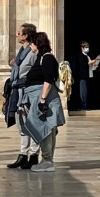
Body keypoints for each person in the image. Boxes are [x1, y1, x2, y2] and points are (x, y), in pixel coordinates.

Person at [19, 31, 66, 173]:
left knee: (44, 128)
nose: (30, 46)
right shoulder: (41, 57)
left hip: (44, 98)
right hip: (38, 98)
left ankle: (47, 160)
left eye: (32, 43)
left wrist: (42, 99)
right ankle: (47, 160)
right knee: (45, 127)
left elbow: (48, 79)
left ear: (38, 44)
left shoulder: (47, 58)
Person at [5, 23, 40, 170]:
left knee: (32, 124)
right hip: (17, 92)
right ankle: (23, 154)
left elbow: (36, 72)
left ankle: (33, 155)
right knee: (21, 124)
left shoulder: (33, 52)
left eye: (19, 33)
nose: (17, 35)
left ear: (26, 35)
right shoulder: (21, 52)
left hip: (27, 92)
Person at [76, 40, 99, 110]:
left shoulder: (88, 56)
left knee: (86, 91)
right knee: (83, 92)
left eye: (88, 47)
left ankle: (86, 105)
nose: (87, 48)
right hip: (83, 76)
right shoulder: (81, 56)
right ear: (82, 48)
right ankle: (83, 105)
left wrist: (94, 65)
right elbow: (82, 64)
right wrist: (90, 62)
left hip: (88, 76)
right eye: (86, 47)